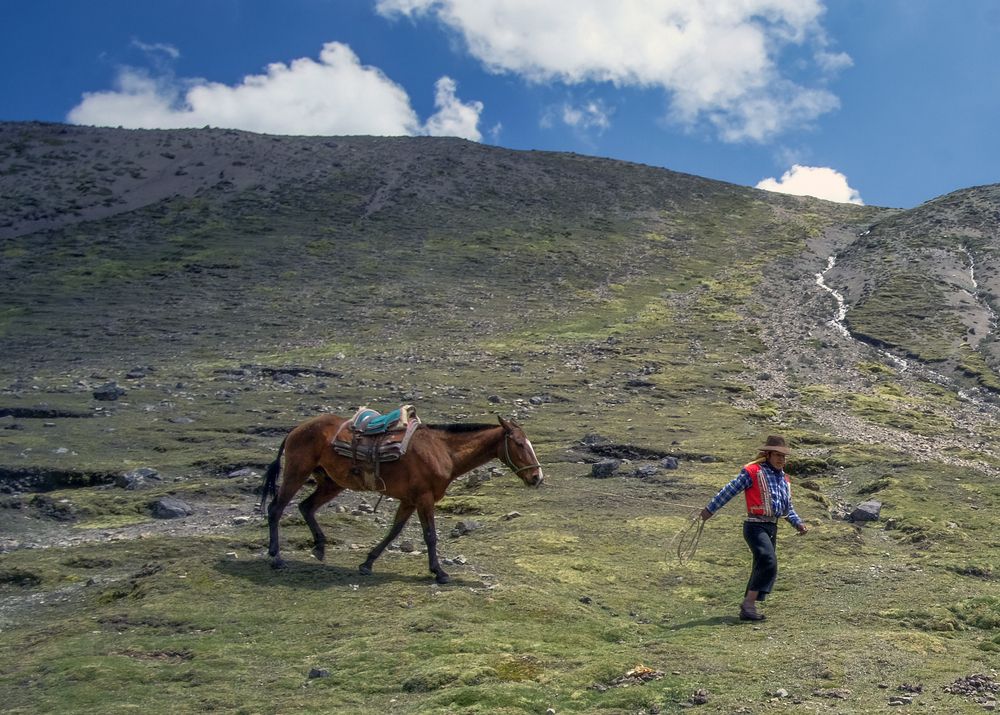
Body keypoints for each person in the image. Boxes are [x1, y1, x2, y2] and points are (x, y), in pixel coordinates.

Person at [700, 435, 808, 621]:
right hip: (755, 526)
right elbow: (730, 489)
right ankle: (748, 604)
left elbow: (787, 508)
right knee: (768, 560)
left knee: (763, 564)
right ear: (767, 454)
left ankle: (748, 607)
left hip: (771, 527)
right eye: (777, 455)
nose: (781, 460)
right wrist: (710, 509)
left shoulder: (785, 479)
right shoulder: (753, 471)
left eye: (783, 456)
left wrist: (797, 523)